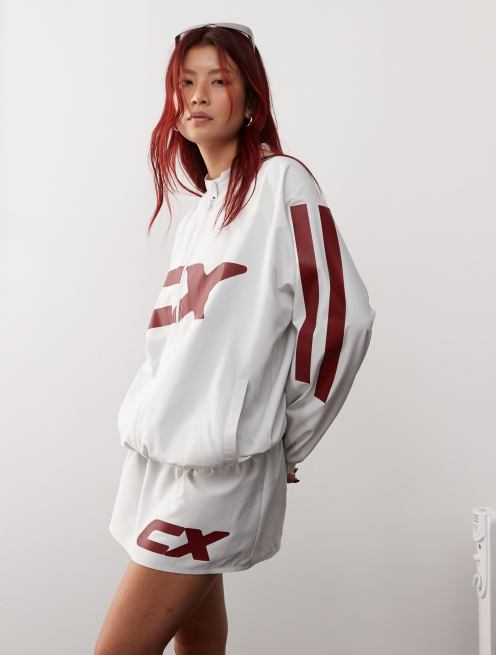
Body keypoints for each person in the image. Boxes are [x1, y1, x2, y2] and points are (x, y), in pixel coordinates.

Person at [94, 22, 376, 655]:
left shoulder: (281, 183)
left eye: (217, 81)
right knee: (199, 640)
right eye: (185, 82)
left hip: (218, 472)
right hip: (162, 463)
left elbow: (341, 317)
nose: (197, 95)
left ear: (250, 99)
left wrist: (286, 438)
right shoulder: (198, 216)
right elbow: (173, 351)